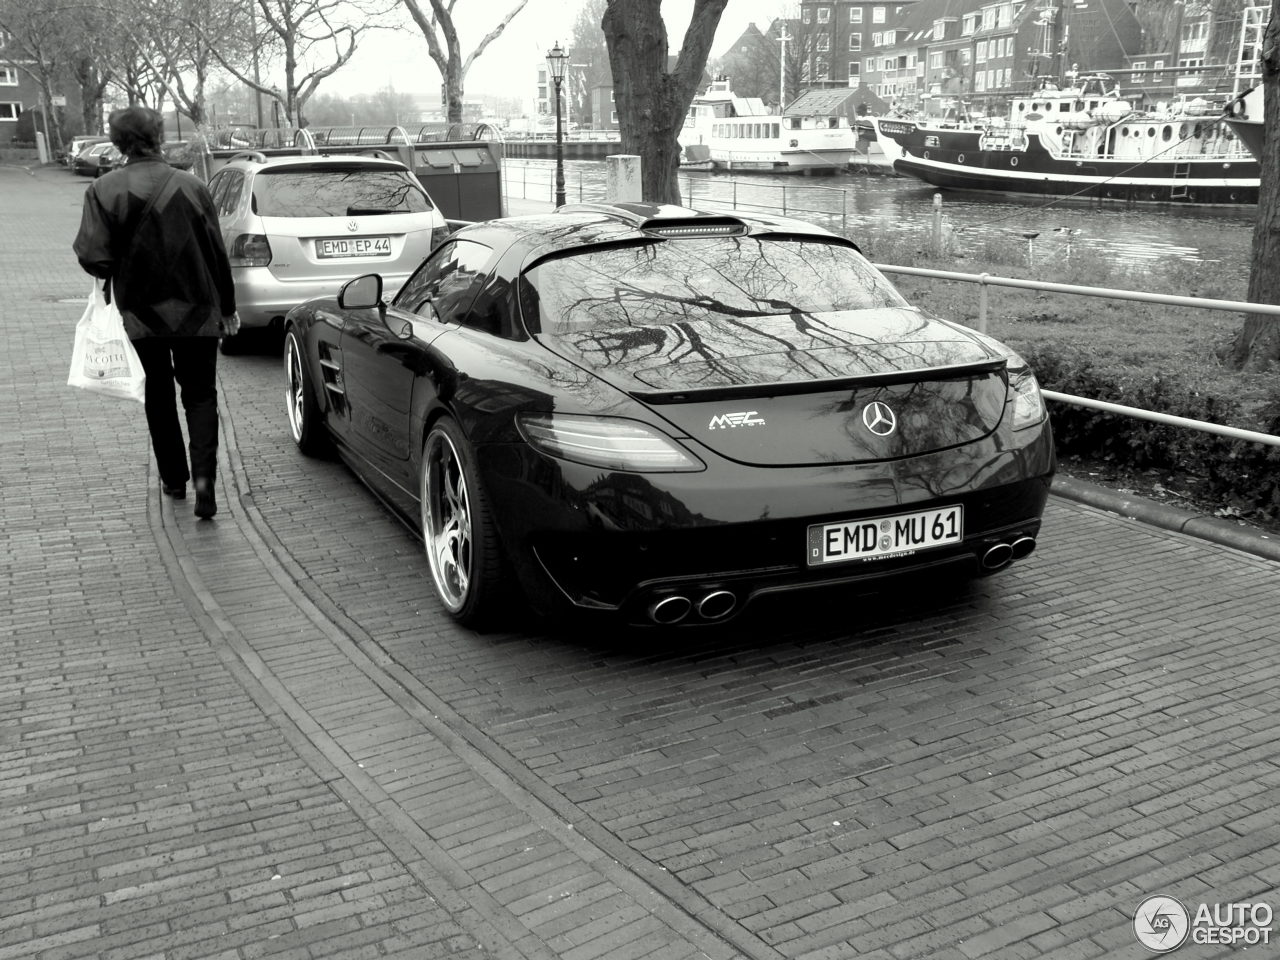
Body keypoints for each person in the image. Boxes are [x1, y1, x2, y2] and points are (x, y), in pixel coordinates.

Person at [73, 106, 238, 519]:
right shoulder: (193, 186)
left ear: (117, 141)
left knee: (159, 397)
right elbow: (218, 255)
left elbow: (94, 257)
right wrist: (229, 310)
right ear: (159, 137)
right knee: (201, 397)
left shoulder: (104, 190)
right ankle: (205, 485)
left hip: (141, 316)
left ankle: (174, 480)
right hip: (198, 312)